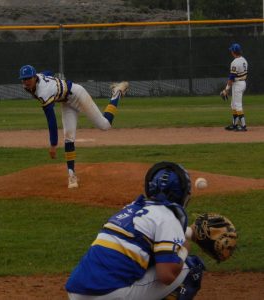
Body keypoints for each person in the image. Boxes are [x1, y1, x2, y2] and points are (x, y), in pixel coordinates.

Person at [65, 161, 205, 300]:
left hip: (76, 292)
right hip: (109, 294)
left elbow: (149, 233)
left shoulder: (131, 208)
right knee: (191, 266)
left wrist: (190, 233)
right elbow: (167, 275)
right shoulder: (168, 217)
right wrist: (184, 248)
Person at [19, 65, 129, 188]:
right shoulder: (33, 82)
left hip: (77, 94)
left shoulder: (43, 92)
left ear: (34, 77)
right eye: (23, 79)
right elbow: (47, 72)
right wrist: (53, 81)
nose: (26, 81)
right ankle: (71, 175)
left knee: (105, 125)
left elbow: (51, 120)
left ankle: (116, 93)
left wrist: (53, 144)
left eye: (28, 78)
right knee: (68, 137)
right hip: (66, 102)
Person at [221, 43, 248, 132]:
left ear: (233, 52)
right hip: (242, 82)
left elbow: (231, 78)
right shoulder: (244, 60)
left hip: (238, 84)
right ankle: (235, 125)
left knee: (237, 105)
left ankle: (243, 126)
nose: (231, 52)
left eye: (231, 50)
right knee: (233, 104)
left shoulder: (235, 62)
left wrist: (226, 90)